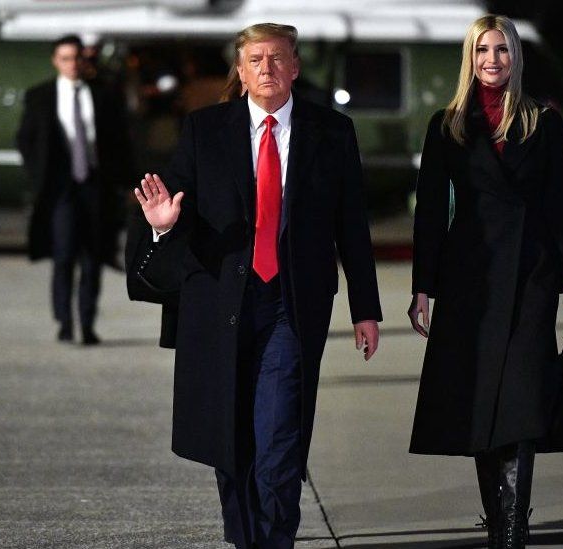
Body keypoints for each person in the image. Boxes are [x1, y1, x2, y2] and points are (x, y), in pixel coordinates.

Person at [132, 23, 382, 549]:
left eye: (277, 58)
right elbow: (175, 217)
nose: (266, 68)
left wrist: (366, 307)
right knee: (232, 442)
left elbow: (351, 226)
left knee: (279, 441)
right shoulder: (204, 130)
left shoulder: (331, 132)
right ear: (240, 72)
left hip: (290, 305)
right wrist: (162, 224)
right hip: (220, 306)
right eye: (255, 60)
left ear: (294, 67)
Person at [406, 14, 563, 549]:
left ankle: (512, 530)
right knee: (477, 399)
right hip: (469, 278)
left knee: (518, 398)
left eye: (503, 51)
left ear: (517, 58)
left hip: (531, 275)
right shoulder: (446, 124)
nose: (493, 60)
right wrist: (423, 286)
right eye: (483, 51)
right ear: (470, 58)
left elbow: (562, 207)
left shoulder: (543, 121)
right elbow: (429, 213)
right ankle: (498, 523)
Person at [17, 35, 134, 345]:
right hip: (61, 188)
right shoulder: (40, 96)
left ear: (85, 61)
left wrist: (125, 183)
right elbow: (26, 139)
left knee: (93, 257)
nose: (72, 64)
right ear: (56, 61)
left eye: (77, 58)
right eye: (66, 58)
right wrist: (38, 176)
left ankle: (87, 321)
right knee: (64, 255)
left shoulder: (104, 96)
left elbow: (120, 142)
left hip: (96, 186)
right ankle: (65, 322)